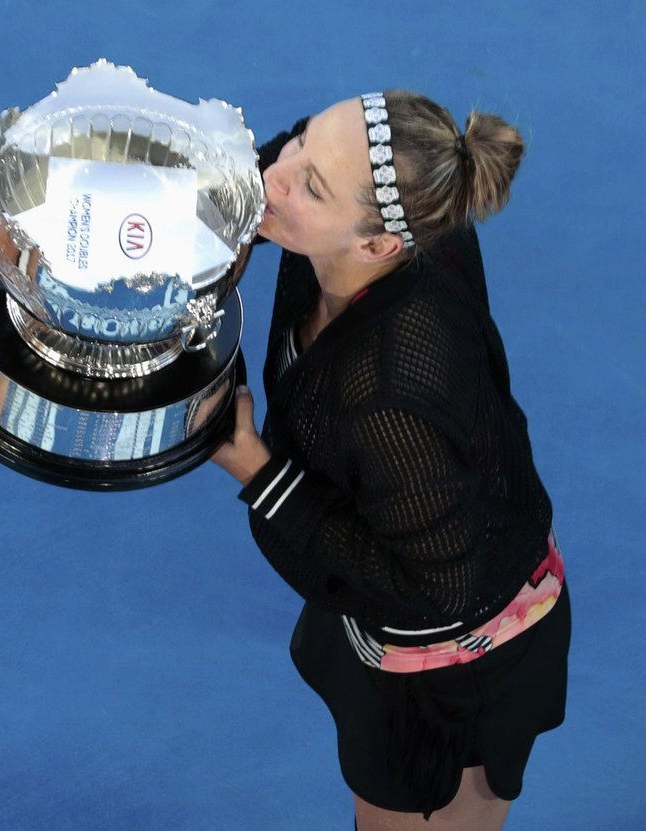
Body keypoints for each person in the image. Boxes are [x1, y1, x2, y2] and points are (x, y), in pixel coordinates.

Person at [211, 90, 569, 830]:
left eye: (309, 184)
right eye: (302, 143)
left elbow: (430, 592)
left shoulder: (389, 394)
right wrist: (222, 208)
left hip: (455, 656)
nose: (279, 172)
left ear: (377, 245)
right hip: (422, 554)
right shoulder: (401, 210)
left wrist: (260, 472)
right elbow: (285, 162)